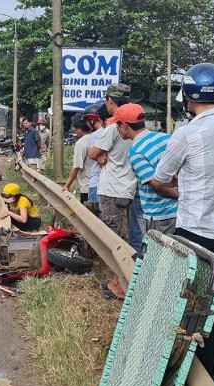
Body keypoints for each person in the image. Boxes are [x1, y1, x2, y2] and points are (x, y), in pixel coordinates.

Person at [153, 63, 214, 386]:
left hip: (195, 235)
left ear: (189, 96)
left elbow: (161, 177)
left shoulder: (187, 133)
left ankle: (196, 381)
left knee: (192, 310)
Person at [89, 83, 137, 299]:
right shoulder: (135, 126)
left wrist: (99, 155)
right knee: (124, 237)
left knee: (115, 240)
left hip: (112, 189)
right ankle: (119, 282)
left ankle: (119, 286)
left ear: (110, 101)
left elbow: (93, 153)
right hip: (127, 189)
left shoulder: (114, 127)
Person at [111, 103, 178, 234]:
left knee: (157, 254)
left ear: (124, 125)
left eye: (117, 125)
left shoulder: (136, 152)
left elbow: (157, 185)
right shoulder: (165, 138)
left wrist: (181, 196)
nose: (117, 129)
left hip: (159, 215)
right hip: (180, 212)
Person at [63, 112, 94, 203]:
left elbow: (76, 167)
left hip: (87, 186)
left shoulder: (81, 142)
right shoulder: (97, 137)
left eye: (74, 128)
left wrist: (67, 185)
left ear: (80, 129)